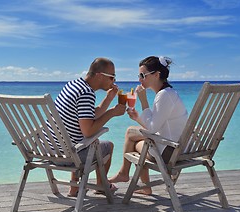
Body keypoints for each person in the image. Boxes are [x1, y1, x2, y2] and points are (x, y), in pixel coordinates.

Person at [109, 56, 188, 195]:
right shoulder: (170, 93)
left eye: (142, 75)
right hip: (179, 147)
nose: (139, 79)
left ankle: (128, 176)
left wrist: (143, 100)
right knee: (130, 132)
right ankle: (131, 178)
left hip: (169, 152)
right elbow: (156, 124)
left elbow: (152, 128)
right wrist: (137, 118)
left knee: (133, 142)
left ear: (156, 75)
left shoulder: (164, 95)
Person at [54, 57, 126, 197]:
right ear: (99, 75)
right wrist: (112, 113)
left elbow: (90, 116)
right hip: (68, 156)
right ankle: (101, 186)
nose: (114, 81)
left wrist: (109, 98)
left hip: (49, 151)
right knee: (106, 146)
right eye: (112, 77)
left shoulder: (73, 85)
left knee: (79, 141)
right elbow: (88, 131)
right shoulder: (86, 93)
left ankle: (74, 188)